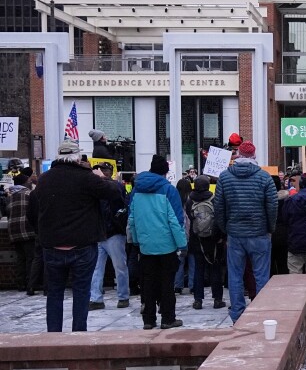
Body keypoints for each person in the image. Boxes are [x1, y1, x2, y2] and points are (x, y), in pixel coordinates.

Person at [28, 140, 125, 332]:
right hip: (83, 245)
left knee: (54, 294)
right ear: (78, 157)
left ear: (58, 156)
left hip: (53, 246)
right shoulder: (87, 178)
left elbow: (32, 213)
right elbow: (116, 192)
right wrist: (103, 177)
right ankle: (78, 334)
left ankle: (53, 335)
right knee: (81, 292)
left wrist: (44, 235)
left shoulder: (45, 180)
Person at [213, 140, 278, 323]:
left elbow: (219, 206)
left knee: (235, 275)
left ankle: (237, 313)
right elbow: (272, 206)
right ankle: (261, 312)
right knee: (261, 275)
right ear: (254, 156)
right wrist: (270, 228)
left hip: (235, 234)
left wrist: (226, 229)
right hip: (259, 233)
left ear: (238, 155)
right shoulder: (264, 177)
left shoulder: (225, 177)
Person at [130, 155, 187, 330]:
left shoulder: (136, 189)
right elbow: (176, 220)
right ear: (165, 172)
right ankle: (168, 318)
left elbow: (132, 218)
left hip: (145, 245)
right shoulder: (169, 190)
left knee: (147, 282)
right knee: (167, 282)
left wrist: (136, 240)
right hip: (166, 244)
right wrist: (182, 244)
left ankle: (148, 319)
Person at [89, 163, 131, 310]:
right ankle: (101, 298)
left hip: (107, 232)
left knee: (109, 267)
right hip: (108, 232)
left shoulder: (107, 187)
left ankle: (118, 296)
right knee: (107, 268)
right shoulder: (116, 187)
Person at [185, 175, 226, 310]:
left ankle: (198, 299)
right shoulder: (214, 198)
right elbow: (219, 217)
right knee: (215, 268)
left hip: (197, 239)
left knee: (198, 269)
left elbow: (190, 217)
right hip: (213, 239)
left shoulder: (190, 200)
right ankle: (217, 299)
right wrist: (220, 236)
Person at [282, 173, 306, 278]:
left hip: (295, 241)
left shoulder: (291, 200)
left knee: (294, 277)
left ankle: (296, 295)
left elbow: (285, 220)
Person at [6, 173, 39, 294]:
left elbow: (7, 213)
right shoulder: (29, 194)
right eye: (29, 180)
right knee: (31, 258)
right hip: (27, 229)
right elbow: (35, 211)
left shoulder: (10, 196)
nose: (31, 182)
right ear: (24, 183)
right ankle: (30, 283)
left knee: (20, 258)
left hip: (13, 231)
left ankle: (20, 283)